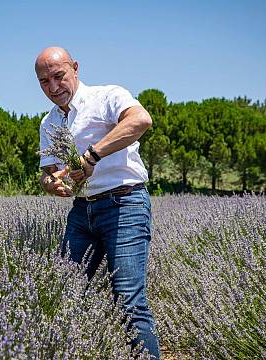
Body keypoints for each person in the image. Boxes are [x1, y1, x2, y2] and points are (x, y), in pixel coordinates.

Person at [35, 46, 161, 358]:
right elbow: (47, 172)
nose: (53, 88)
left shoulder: (107, 96)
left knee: (128, 300)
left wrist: (93, 154)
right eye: (44, 82)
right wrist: (53, 184)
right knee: (63, 292)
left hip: (125, 205)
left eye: (59, 76)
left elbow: (141, 120)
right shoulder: (49, 122)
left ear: (75, 68)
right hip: (81, 212)